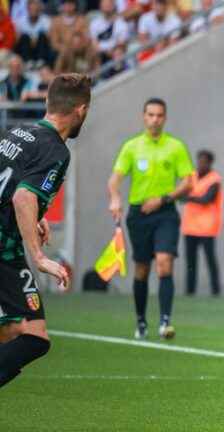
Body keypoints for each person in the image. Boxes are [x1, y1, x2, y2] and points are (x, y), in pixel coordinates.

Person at [0, 73, 92, 388]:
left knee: (14, 331)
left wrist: (35, 216)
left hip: (6, 246)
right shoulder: (56, 151)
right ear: (81, 110)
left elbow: (11, 183)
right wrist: (38, 256)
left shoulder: (19, 130)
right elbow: (22, 195)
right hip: (4, 250)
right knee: (33, 337)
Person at [107, 98, 193, 340]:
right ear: (144, 117)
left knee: (165, 262)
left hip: (165, 213)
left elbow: (188, 182)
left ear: (165, 118)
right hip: (138, 215)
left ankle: (165, 322)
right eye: (151, 115)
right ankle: (141, 320)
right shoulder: (132, 147)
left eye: (159, 115)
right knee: (142, 269)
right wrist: (115, 198)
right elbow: (114, 180)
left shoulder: (175, 147)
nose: (155, 119)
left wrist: (164, 199)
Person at [180, 150, 222, 296]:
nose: (201, 164)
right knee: (190, 262)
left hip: (207, 227)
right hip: (190, 226)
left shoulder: (214, 179)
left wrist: (189, 198)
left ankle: (216, 292)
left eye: (204, 161)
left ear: (210, 163)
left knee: (210, 260)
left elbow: (207, 199)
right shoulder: (191, 176)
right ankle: (190, 292)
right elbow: (181, 192)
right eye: (199, 161)